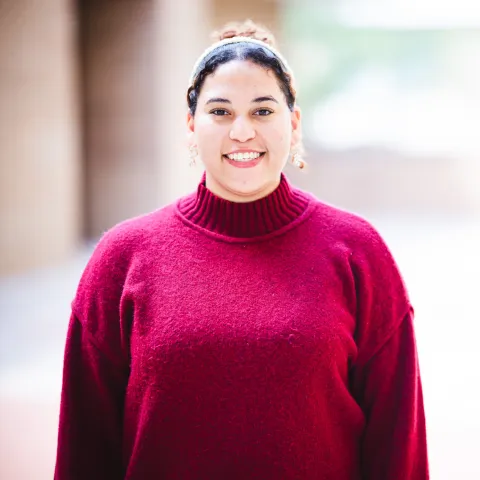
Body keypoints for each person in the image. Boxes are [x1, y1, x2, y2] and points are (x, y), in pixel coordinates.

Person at [54, 20, 429, 480]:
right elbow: (85, 447)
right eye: (220, 112)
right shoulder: (123, 257)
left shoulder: (358, 252)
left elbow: (399, 446)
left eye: (263, 111)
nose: (242, 131)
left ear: (293, 121)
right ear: (191, 125)